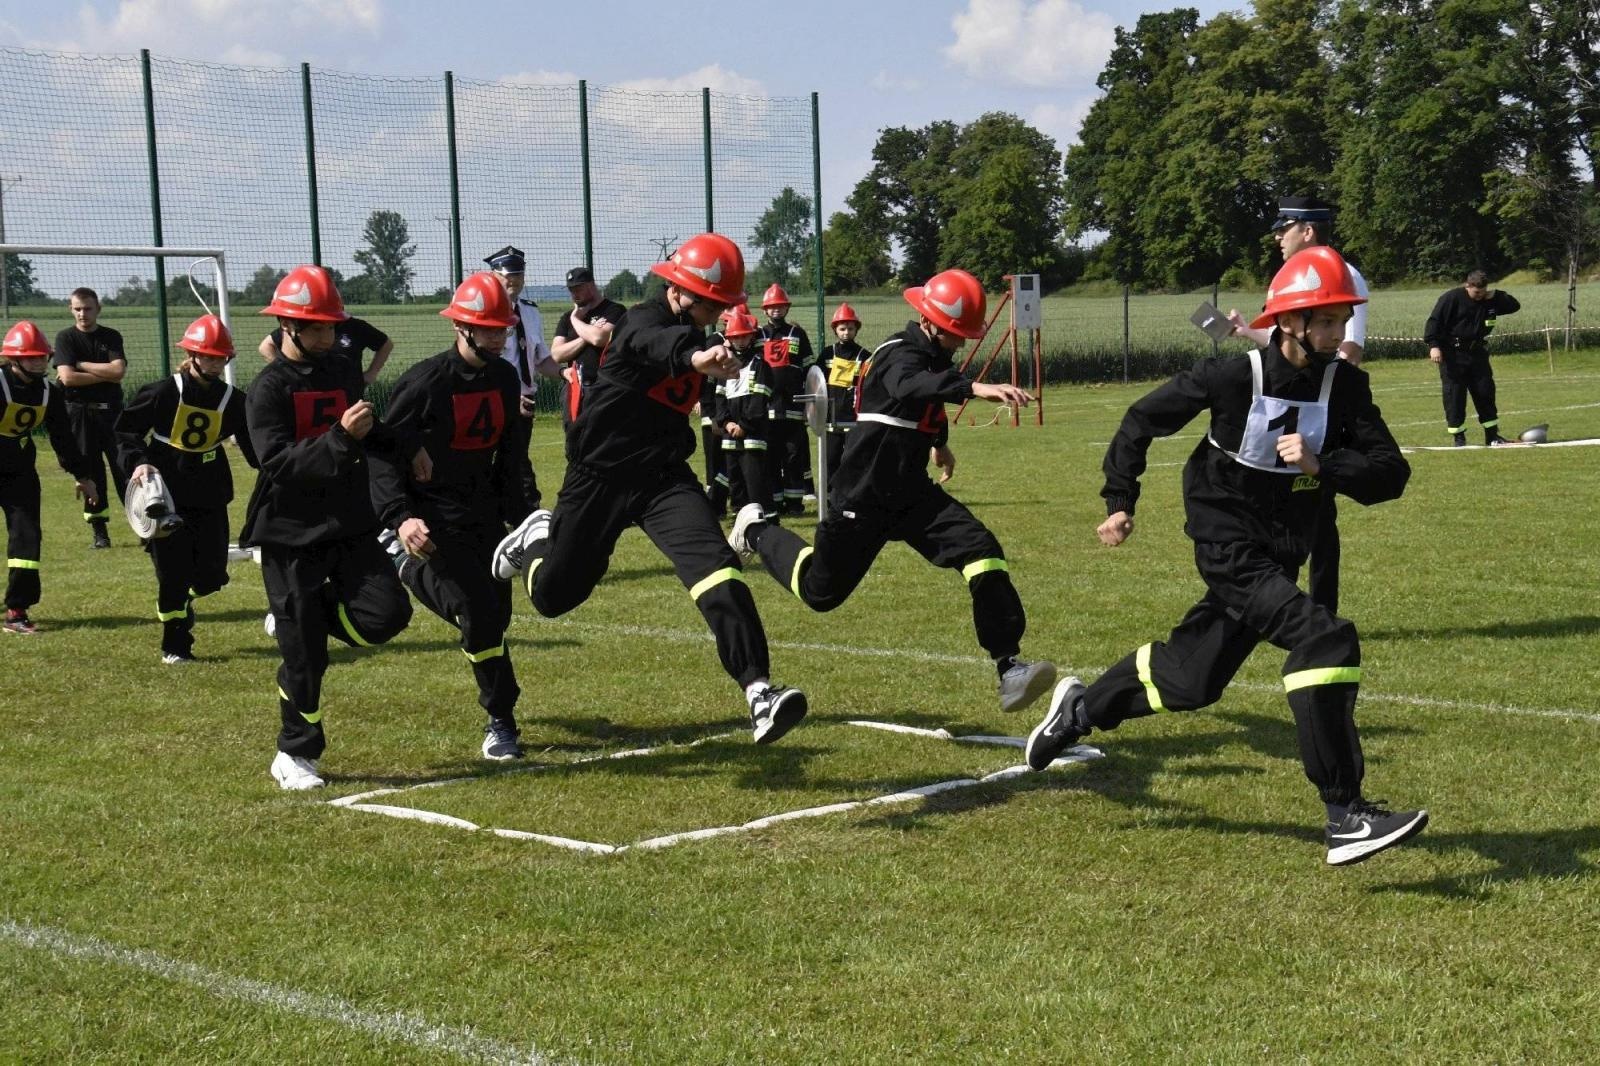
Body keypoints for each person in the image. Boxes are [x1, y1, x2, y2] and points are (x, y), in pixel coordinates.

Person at [1024, 246, 1427, 866]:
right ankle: (1345, 813)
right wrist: (1119, 499)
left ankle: (1080, 708)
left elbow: (1390, 473)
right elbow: (1140, 420)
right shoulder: (1233, 376)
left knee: (1191, 680)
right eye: (1326, 320)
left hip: (1281, 552)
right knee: (1326, 640)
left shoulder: (1346, 386)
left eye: (1343, 319)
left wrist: (1327, 465)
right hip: (1226, 543)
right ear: (1289, 322)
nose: (1339, 331)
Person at [492, 233, 809, 746]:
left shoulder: (702, 332)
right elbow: (653, 343)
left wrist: (705, 362)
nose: (719, 315)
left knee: (717, 568)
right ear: (682, 291)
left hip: (662, 476)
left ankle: (760, 693)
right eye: (713, 304)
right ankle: (535, 541)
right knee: (554, 597)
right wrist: (696, 358)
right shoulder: (642, 319)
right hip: (599, 475)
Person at [728, 268, 1057, 716]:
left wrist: (939, 445)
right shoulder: (895, 354)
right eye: (957, 333)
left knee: (981, 550)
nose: (962, 342)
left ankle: (1009, 667)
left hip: (910, 494)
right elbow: (910, 387)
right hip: (862, 497)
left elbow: (925, 406)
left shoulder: (935, 358)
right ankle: (756, 530)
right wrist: (975, 388)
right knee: (819, 593)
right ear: (932, 323)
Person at [241, 266, 414, 790]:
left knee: (387, 615)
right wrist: (340, 438)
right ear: (288, 327)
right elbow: (278, 464)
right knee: (305, 659)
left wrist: (408, 447)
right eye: (317, 327)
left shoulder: (340, 369)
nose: (330, 336)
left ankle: (304, 624)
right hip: (290, 535)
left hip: (350, 523)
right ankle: (294, 755)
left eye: (331, 326)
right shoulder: (266, 391)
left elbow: (366, 428)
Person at [369, 273, 536, 761]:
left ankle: (404, 565)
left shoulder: (505, 378)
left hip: (482, 513)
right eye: (489, 329)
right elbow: (382, 454)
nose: (500, 337)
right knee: (477, 615)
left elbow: (511, 456)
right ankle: (501, 719)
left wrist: (526, 516)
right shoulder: (423, 383)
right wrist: (400, 517)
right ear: (460, 328)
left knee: (495, 617)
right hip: (430, 517)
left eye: (503, 329)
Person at [1231, 196, 1370, 614]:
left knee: (1318, 512)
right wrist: (1246, 333)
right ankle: (1270, 601)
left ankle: (1321, 611)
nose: (1277, 236)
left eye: (1284, 227)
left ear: (1307, 231)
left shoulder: (1343, 276)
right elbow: (1290, 347)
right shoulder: (1293, 276)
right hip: (1284, 408)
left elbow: (1346, 352)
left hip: (1321, 409)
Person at [116, 314, 258, 663]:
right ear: (192, 355)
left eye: (219, 357)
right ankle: (174, 645)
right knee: (172, 575)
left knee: (212, 576)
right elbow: (125, 430)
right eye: (207, 355)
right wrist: (139, 461)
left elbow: (256, 444)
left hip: (209, 491)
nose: (214, 363)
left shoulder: (233, 399)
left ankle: (186, 597)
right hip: (166, 492)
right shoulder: (164, 391)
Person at [0, 322, 96, 634]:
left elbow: (63, 439)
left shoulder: (48, 393)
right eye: (31, 357)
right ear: (13, 359)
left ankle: (17, 610)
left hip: (19, 472)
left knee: (27, 537)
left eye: (42, 357)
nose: (40, 362)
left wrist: (83, 475)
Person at [52, 287, 128, 548]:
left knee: (125, 468)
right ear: (70, 309)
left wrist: (81, 364)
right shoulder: (65, 338)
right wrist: (103, 373)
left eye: (87, 308)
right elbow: (67, 378)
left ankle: (144, 526)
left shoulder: (111, 336)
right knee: (90, 472)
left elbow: (118, 372)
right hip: (80, 414)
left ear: (98, 309)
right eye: (77, 309)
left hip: (112, 413)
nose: (82, 314)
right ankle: (100, 532)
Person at [486, 245, 559, 510]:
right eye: (507, 274)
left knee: (514, 457)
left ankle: (507, 509)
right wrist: (508, 396)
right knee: (510, 459)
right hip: (494, 399)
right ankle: (530, 511)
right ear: (494, 275)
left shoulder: (530, 311)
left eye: (518, 273)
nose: (513, 280)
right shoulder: (486, 314)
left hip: (525, 399)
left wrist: (564, 374)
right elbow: (483, 362)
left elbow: (540, 359)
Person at [1424, 269, 1520, 447]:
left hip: (1477, 354)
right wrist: (1433, 346)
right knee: (1455, 397)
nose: (1479, 297)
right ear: (1467, 285)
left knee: (1485, 392)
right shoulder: (1451, 298)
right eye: (1476, 293)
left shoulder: (1489, 300)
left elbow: (1514, 306)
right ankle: (1459, 438)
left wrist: (1495, 295)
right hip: (1453, 355)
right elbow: (1434, 322)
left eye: (1483, 293)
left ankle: (1492, 436)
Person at [710, 308, 779, 523]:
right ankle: (740, 517)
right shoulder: (725, 367)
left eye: (744, 336)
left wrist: (744, 424)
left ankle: (766, 517)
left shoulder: (761, 366)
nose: (740, 340)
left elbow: (759, 400)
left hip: (753, 434)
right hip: (730, 434)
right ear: (729, 339)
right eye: (735, 337)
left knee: (756, 478)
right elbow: (719, 398)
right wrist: (727, 422)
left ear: (751, 337)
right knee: (735, 479)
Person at [759, 284, 813, 515]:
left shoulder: (797, 333)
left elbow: (810, 368)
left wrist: (810, 404)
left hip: (793, 406)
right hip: (768, 407)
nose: (776, 311)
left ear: (786, 308)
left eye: (780, 307)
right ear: (765, 310)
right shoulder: (758, 335)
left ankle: (794, 503)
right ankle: (775, 501)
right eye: (772, 307)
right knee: (771, 456)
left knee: (793, 455)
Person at [549, 265, 625, 430]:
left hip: (606, 387)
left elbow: (600, 338)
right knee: (574, 437)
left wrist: (576, 321)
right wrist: (585, 336)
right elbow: (557, 354)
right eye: (571, 289)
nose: (574, 294)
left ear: (591, 285)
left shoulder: (614, 310)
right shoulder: (567, 318)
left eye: (578, 288)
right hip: (576, 387)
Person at [814, 302, 869, 483]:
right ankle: (830, 494)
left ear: (856, 330)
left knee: (853, 459)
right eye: (842, 328)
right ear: (835, 330)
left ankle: (852, 494)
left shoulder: (864, 356)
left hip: (854, 417)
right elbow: (816, 381)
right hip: (831, 417)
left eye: (850, 329)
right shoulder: (827, 353)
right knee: (831, 459)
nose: (846, 332)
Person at [258, 314, 392, 389]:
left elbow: (386, 344)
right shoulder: (303, 326)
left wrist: (372, 373)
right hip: (308, 391)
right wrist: (287, 373)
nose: (327, 339)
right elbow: (266, 346)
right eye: (317, 329)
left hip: (349, 390)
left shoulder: (356, 327)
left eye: (331, 327)